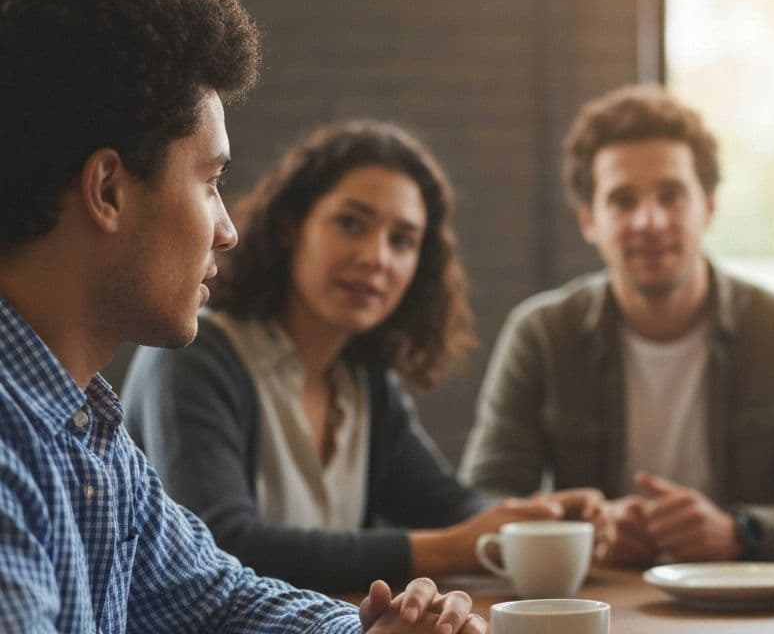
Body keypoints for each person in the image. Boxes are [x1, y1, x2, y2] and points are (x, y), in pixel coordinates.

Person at [0, 0, 481, 632]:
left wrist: (368, 632)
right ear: (107, 189)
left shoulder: (83, 429)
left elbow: (219, 598)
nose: (226, 228)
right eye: (210, 182)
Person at [123, 121, 602, 594]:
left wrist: (548, 519)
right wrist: (448, 549)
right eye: (351, 224)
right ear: (292, 226)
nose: (376, 258)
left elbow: (445, 504)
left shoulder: (363, 380)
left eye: (402, 240)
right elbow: (222, 546)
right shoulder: (195, 357)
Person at [460, 84, 774, 564]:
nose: (649, 221)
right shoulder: (543, 335)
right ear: (589, 220)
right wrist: (584, 529)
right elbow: (482, 501)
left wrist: (740, 532)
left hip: (746, 605)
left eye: (670, 196)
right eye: (623, 201)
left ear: (708, 206)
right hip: (601, 606)